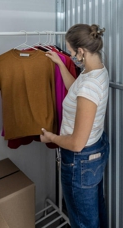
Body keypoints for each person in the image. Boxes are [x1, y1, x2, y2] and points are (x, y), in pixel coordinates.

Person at [40, 23, 110, 228]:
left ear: (81, 51)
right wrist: (61, 64)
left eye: (70, 53)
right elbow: (75, 90)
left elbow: (77, 143)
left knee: (83, 222)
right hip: (94, 150)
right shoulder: (95, 71)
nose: (70, 57)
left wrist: (51, 138)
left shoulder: (89, 85)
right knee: (94, 212)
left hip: (81, 159)